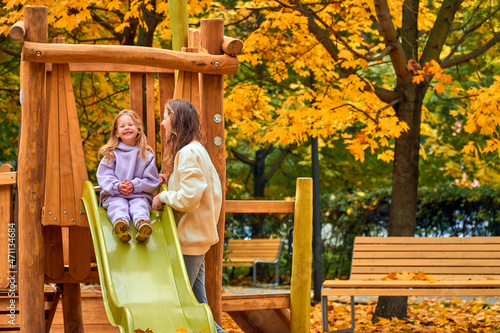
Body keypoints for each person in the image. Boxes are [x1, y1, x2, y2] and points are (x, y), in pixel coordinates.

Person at [152, 99, 225, 333]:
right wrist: (167, 180)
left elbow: (189, 199)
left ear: (176, 121)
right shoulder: (195, 151)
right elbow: (195, 190)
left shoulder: (188, 153)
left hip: (189, 241)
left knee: (184, 304)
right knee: (198, 306)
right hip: (196, 238)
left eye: (165, 117)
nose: (162, 122)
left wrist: (163, 198)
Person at [97, 109, 160, 243]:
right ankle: (121, 224)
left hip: (139, 195)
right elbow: (104, 176)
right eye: (122, 126)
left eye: (130, 125)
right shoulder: (111, 153)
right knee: (118, 205)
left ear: (138, 128)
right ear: (117, 133)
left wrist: (136, 185)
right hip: (115, 195)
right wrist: (118, 186)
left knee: (140, 205)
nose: (126, 128)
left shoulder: (146, 155)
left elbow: (152, 180)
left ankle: (142, 224)